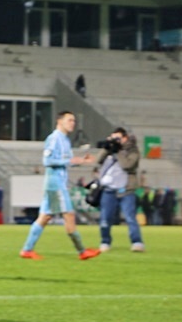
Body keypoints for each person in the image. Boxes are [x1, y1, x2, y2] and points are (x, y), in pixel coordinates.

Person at [19, 111, 101, 261]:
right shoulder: (54, 138)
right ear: (60, 122)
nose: (73, 123)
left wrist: (81, 161)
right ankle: (82, 251)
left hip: (55, 182)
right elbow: (47, 161)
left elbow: (66, 162)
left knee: (44, 217)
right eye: (70, 120)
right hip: (55, 184)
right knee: (69, 215)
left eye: (74, 121)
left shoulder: (65, 140)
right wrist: (71, 161)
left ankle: (26, 250)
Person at [94, 128, 144, 253]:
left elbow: (127, 165)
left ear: (125, 138)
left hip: (126, 189)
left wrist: (118, 151)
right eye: (113, 138)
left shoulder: (132, 150)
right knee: (105, 218)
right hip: (109, 189)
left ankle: (136, 242)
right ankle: (105, 241)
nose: (115, 141)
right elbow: (98, 161)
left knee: (130, 217)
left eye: (118, 138)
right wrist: (107, 148)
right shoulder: (110, 150)